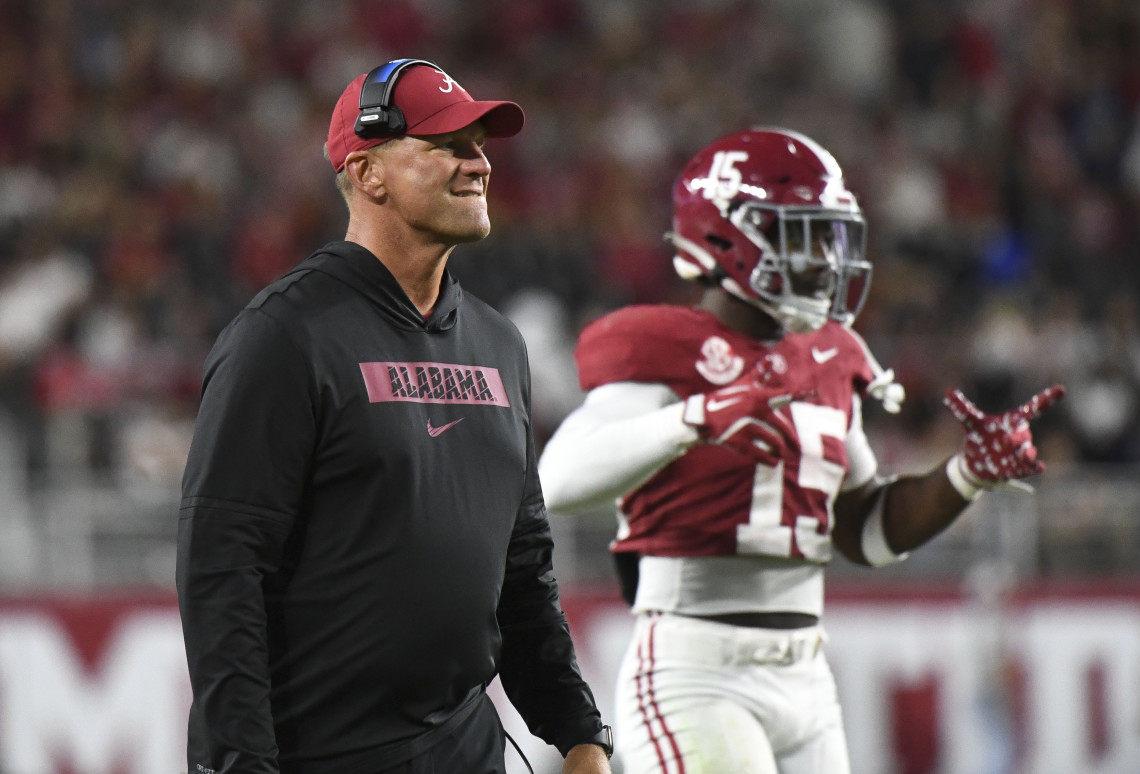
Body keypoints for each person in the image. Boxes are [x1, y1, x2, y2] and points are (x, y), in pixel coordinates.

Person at [538, 127, 1063, 774]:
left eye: (829, 234)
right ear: (727, 236)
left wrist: (964, 475)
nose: (824, 257)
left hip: (806, 674)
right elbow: (556, 480)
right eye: (801, 232)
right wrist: (697, 417)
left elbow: (867, 531)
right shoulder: (670, 348)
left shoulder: (828, 356)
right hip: (695, 669)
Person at [176, 58, 612, 774]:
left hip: (466, 749)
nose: (478, 166)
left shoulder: (499, 345)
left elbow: (522, 566)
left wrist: (577, 731)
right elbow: (221, 571)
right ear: (369, 172)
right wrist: (239, 765)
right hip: (321, 756)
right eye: (448, 146)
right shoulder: (285, 337)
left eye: (479, 146)